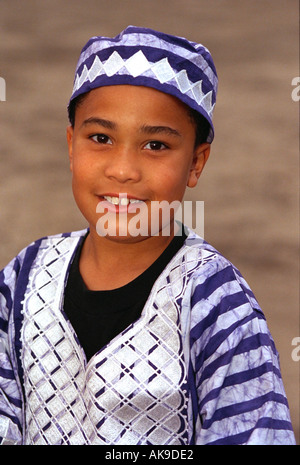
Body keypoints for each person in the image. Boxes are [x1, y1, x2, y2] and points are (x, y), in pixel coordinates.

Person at [0, 26, 296, 445]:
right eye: (100, 138)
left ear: (196, 163)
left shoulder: (215, 301)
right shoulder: (24, 278)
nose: (123, 170)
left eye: (155, 145)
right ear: (71, 145)